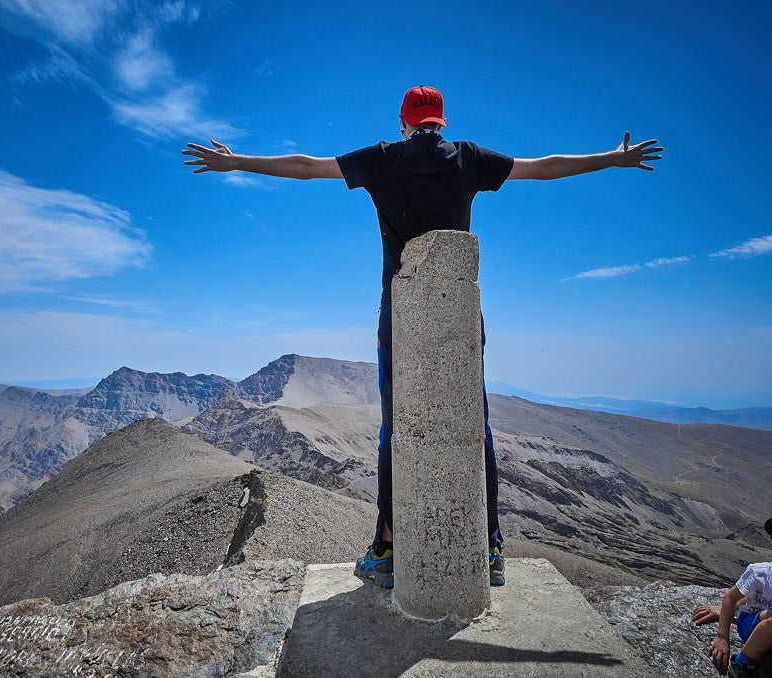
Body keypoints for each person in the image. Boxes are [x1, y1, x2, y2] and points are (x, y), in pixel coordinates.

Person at [182, 85, 662, 590]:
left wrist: (238, 164)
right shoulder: (469, 159)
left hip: (401, 312)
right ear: (441, 121)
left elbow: (306, 166)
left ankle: (387, 549)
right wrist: (613, 159)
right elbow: (543, 167)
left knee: (396, 425)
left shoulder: (383, 159)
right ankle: (492, 546)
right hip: (460, 312)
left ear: (403, 121)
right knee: (475, 425)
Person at [692, 517, 772, 677]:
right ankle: (742, 662)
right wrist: (722, 636)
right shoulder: (760, 573)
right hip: (752, 626)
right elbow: (732, 597)